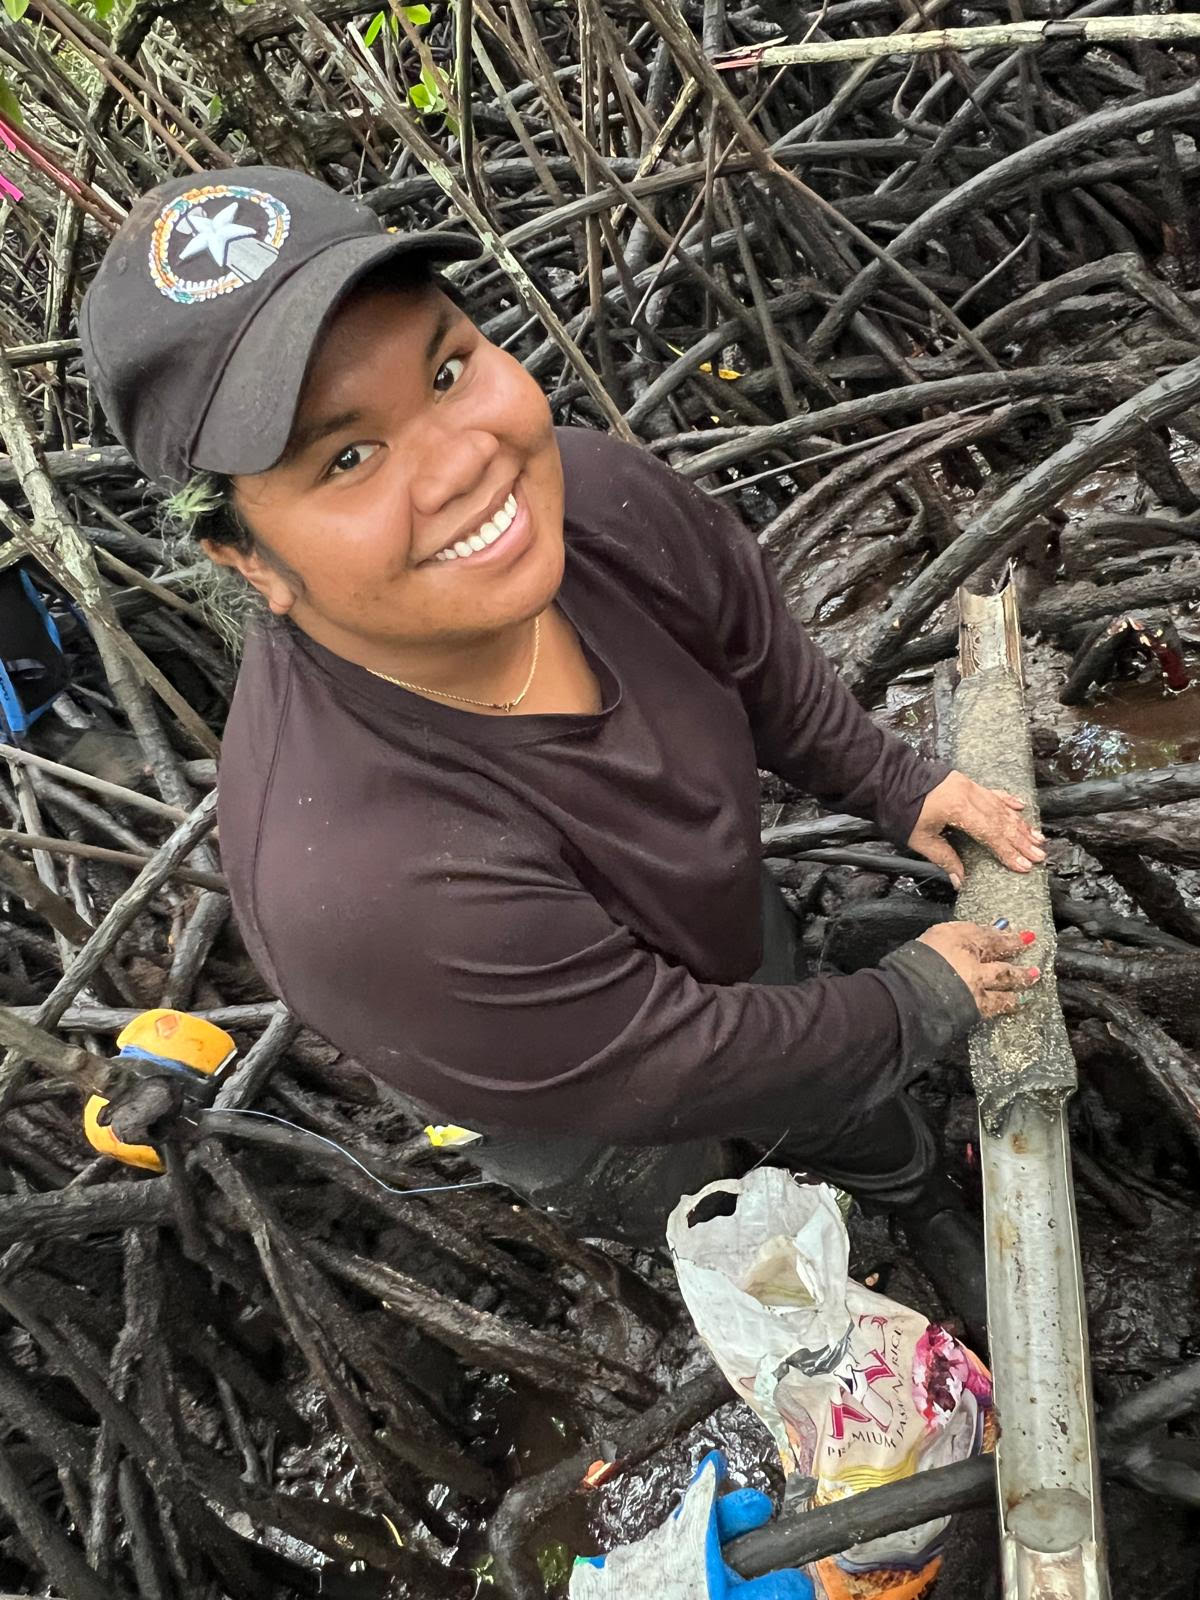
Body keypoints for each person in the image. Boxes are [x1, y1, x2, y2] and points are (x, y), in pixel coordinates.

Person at [79, 167, 1043, 1328]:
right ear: (250, 563)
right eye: (346, 457)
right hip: (566, 1091)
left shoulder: (597, 498)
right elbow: (670, 1062)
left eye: (446, 373)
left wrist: (896, 779)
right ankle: (810, 1305)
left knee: (821, 1068)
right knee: (695, 1194)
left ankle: (908, 1193)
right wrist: (913, 1003)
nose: (464, 461)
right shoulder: (370, 881)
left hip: (720, 931)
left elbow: (754, 651)